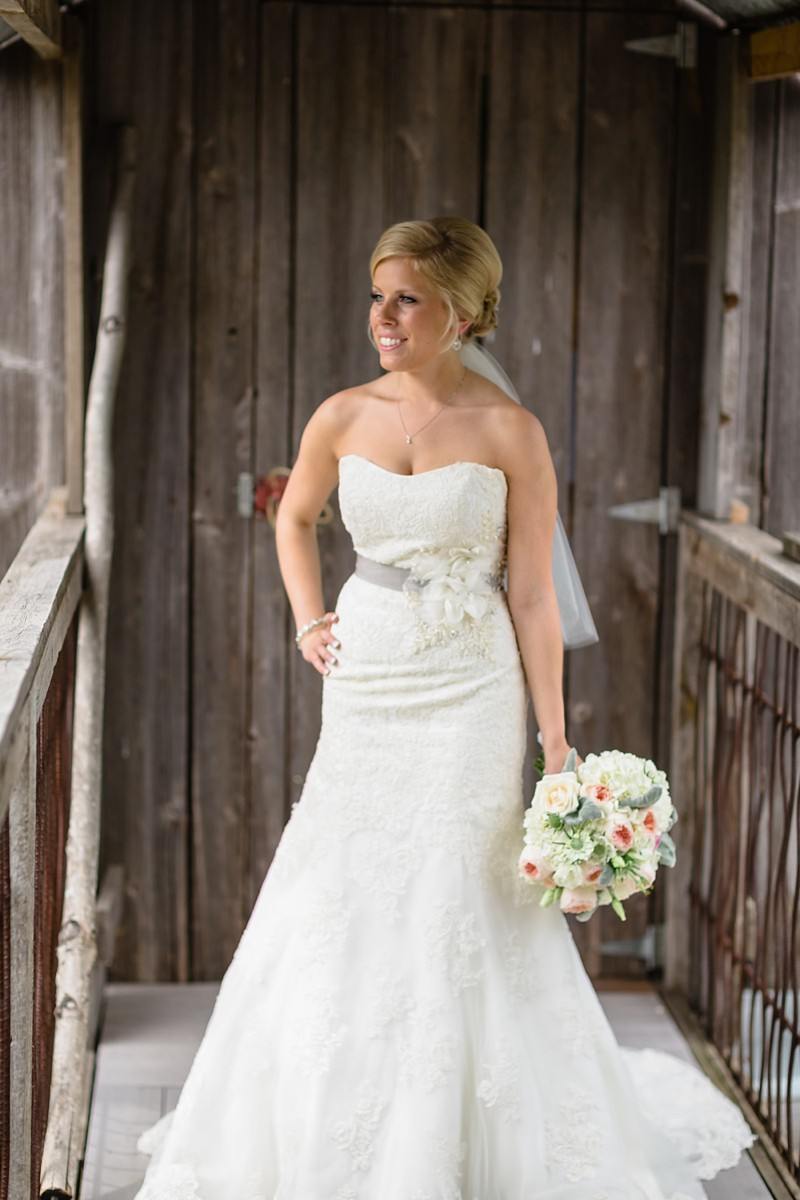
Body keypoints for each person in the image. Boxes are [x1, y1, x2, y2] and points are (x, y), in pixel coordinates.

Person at [133, 217, 755, 1199]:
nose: (381, 316)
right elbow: (296, 518)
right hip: (371, 677)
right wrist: (307, 621)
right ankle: (334, 1120)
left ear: (460, 312)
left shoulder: (511, 432)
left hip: (472, 683)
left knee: (460, 883)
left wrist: (555, 739)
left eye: (405, 299)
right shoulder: (341, 415)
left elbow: (535, 595)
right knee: (343, 874)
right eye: (376, 295)